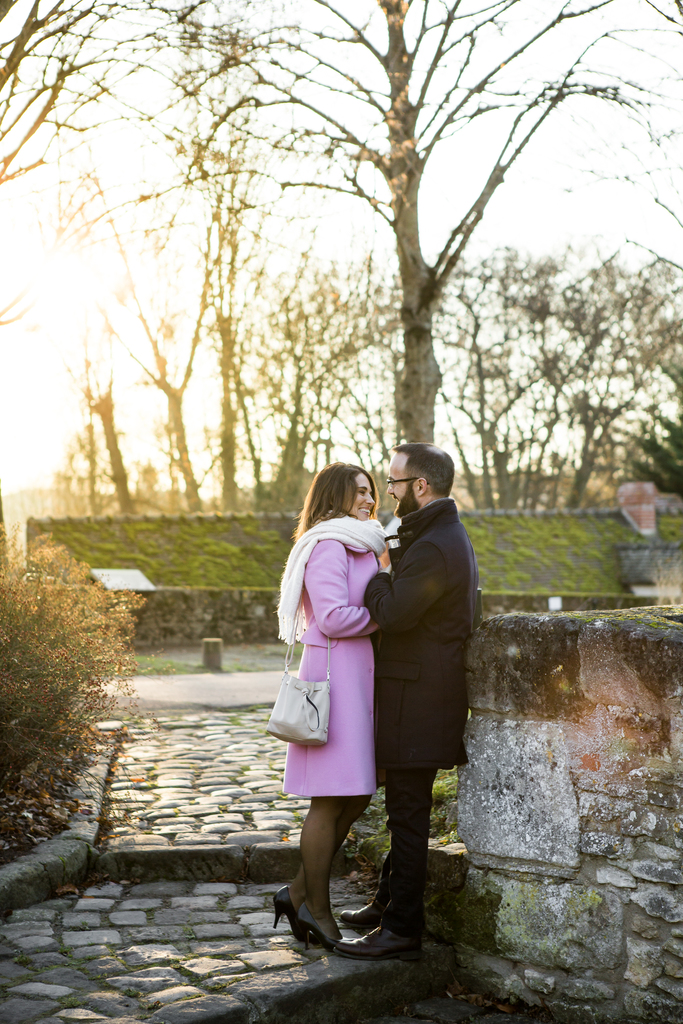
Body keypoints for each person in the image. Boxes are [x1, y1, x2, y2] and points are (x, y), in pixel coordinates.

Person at [335, 442, 479, 962]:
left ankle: (402, 931)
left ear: (421, 486)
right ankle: (386, 904)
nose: (387, 491)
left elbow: (394, 612)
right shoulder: (433, 535)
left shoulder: (437, 545)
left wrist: (378, 570)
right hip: (414, 694)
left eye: (394, 482)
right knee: (403, 812)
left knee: (409, 815)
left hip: (419, 700)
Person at [272, 462, 387, 950]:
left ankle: (296, 894)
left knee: (359, 793)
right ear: (334, 496)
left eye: (371, 492)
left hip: (360, 678)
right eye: (358, 492)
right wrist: (389, 616)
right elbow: (336, 617)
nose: (368, 499)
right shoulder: (328, 544)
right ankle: (316, 909)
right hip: (335, 680)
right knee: (330, 797)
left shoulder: (366, 542)